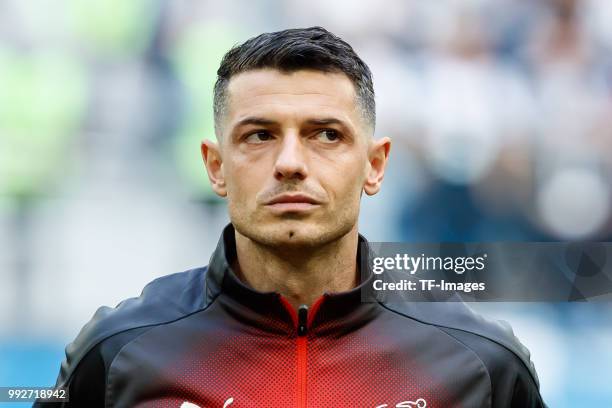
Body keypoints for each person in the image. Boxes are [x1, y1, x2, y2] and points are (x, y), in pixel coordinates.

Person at [35, 27, 545, 407]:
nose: (291, 163)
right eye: (259, 135)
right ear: (216, 167)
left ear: (375, 164)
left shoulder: (482, 363)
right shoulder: (117, 352)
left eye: (326, 134)